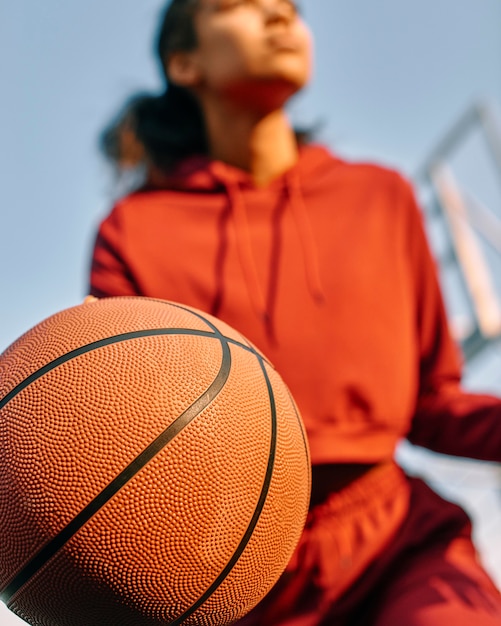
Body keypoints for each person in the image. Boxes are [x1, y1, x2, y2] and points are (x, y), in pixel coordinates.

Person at [89, 0, 501, 623]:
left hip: (397, 542)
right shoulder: (134, 232)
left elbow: (434, 406)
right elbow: (128, 444)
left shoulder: (381, 197)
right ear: (183, 63)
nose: (280, 20)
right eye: (241, 7)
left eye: (288, 9)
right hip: (234, 572)